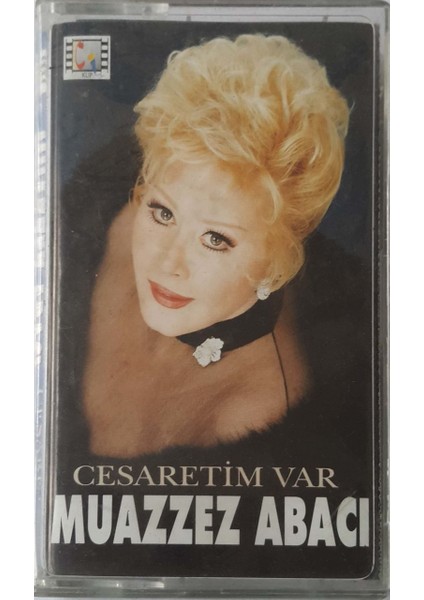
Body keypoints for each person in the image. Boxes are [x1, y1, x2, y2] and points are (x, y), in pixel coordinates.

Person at [81, 33, 351, 458]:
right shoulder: (117, 228)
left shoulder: (254, 413)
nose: (168, 262)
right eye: (163, 213)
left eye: (215, 239)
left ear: (276, 263)